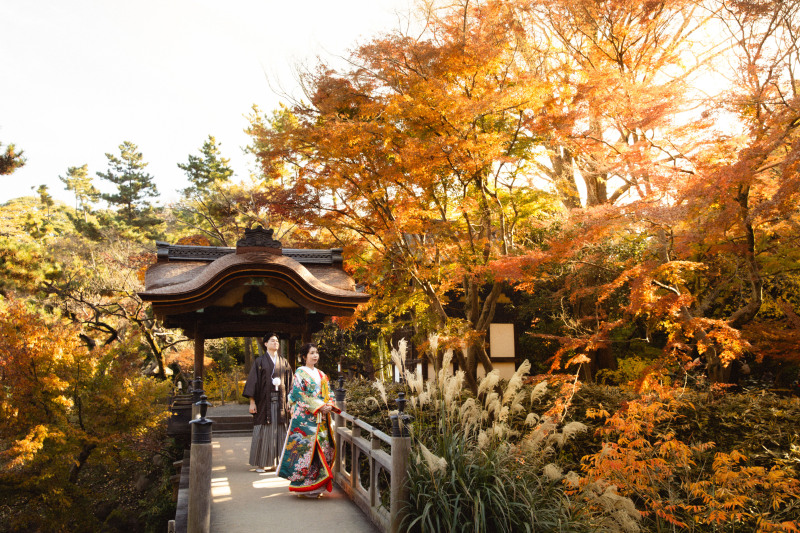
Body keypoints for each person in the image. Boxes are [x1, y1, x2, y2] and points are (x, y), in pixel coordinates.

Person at [277, 342, 340, 497]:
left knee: (323, 450)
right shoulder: (300, 373)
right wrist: (319, 406)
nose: (315, 355)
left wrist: (329, 405)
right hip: (306, 418)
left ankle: (317, 485)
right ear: (304, 357)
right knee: (305, 452)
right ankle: (304, 486)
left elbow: (329, 393)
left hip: (322, 417)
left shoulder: (321, 374)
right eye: (311, 353)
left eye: (316, 352)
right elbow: (299, 394)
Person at [243, 334, 293, 473]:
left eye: (277, 341)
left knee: (281, 430)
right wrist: (252, 402)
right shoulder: (259, 362)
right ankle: (262, 463)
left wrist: (291, 401)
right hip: (264, 403)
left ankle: (279, 463)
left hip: (281, 402)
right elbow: (253, 382)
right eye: (272, 341)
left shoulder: (284, 362)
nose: (275, 343)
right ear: (265, 344)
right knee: (263, 430)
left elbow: (291, 384)